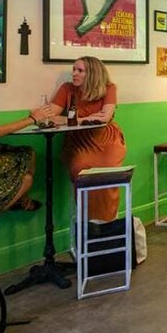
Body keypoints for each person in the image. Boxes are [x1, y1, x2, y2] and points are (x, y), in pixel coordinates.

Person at [46, 56, 127, 221]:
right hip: (79, 141)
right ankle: (88, 221)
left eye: (80, 70)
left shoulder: (109, 88)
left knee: (108, 173)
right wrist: (85, 119)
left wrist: (71, 120)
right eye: (74, 70)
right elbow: (49, 117)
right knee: (81, 168)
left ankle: (107, 221)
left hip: (106, 138)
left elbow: (104, 118)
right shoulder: (67, 89)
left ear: (92, 73)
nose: (74, 74)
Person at [0, 51, 51, 217]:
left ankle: (20, 197)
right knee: (27, 179)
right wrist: (31, 119)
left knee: (27, 152)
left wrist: (5, 147)